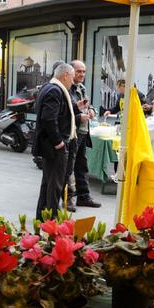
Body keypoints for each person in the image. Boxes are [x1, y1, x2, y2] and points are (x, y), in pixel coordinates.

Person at [32, 61, 77, 220]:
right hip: (54, 148)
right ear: (65, 75)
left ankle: (41, 220)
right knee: (54, 187)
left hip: (51, 147)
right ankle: (50, 223)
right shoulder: (55, 90)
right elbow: (49, 119)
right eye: (72, 77)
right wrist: (59, 142)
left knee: (48, 185)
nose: (73, 81)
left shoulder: (51, 87)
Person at [65, 60, 101, 211]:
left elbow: (87, 104)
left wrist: (92, 110)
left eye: (83, 71)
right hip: (73, 133)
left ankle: (83, 197)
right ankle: (68, 199)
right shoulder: (67, 88)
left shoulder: (81, 87)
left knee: (82, 166)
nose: (81, 74)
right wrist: (80, 117)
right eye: (78, 71)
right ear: (71, 72)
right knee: (69, 167)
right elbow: (66, 110)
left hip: (83, 132)